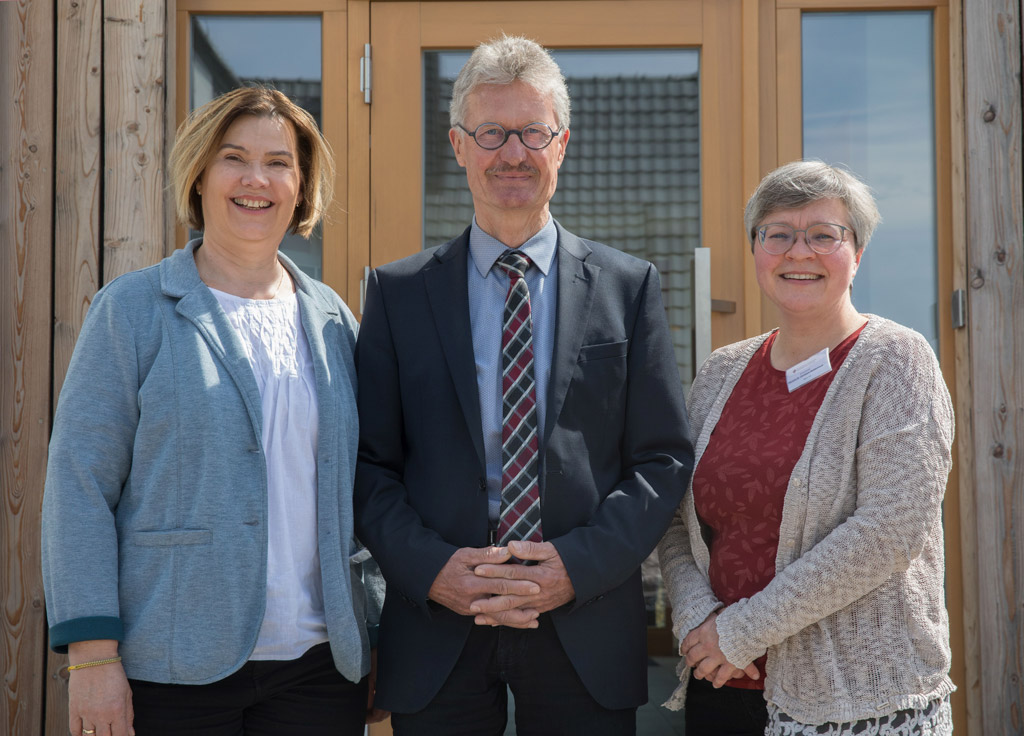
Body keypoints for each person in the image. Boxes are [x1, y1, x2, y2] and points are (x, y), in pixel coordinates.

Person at [354, 35, 694, 735]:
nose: (513, 153)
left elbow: (662, 460)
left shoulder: (629, 288)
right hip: (439, 623)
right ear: (458, 145)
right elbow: (368, 464)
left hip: (583, 618)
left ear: (561, 144)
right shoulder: (396, 293)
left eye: (532, 132)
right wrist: (433, 570)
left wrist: (575, 567)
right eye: (491, 133)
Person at [41, 86, 384, 736]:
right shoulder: (132, 311)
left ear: (302, 187)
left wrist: (373, 633)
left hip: (319, 672)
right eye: (235, 158)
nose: (257, 179)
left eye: (279, 162)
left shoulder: (333, 320)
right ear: (199, 175)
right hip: (172, 666)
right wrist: (92, 657)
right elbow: (79, 486)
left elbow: (362, 493)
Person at [657, 160, 955, 735]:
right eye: (778, 234)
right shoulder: (721, 372)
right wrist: (698, 620)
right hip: (720, 682)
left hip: (856, 700)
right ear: (756, 250)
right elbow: (676, 519)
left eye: (823, 235)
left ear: (857, 253)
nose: (799, 252)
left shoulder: (896, 360)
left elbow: (890, 531)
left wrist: (740, 632)